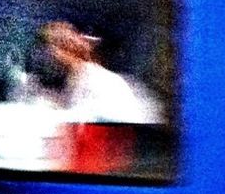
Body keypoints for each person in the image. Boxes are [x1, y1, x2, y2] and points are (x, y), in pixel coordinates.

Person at [30, 20, 159, 124]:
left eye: (47, 53)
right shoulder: (74, 81)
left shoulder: (103, 83)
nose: (43, 61)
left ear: (64, 50)